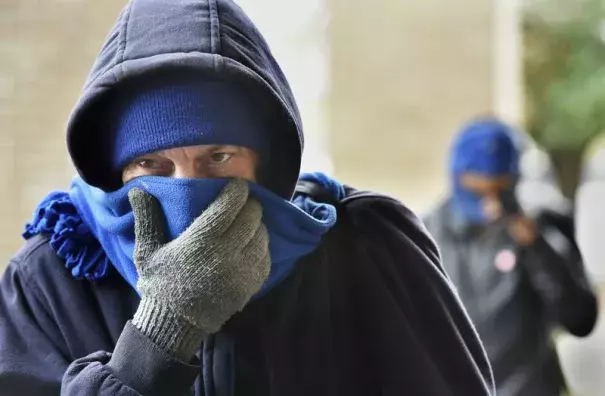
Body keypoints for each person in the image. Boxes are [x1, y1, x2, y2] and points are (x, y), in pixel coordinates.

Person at [0, 1, 494, 395]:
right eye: (151, 164)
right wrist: (162, 332)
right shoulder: (51, 280)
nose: (187, 186)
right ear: (115, 170)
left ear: (266, 160)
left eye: (219, 157)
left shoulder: (365, 250)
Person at [423, 118, 598, 396]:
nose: (490, 203)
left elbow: (580, 319)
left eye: (500, 189)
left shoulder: (541, 227)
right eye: (479, 189)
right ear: (458, 177)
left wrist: (536, 246)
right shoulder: (425, 235)